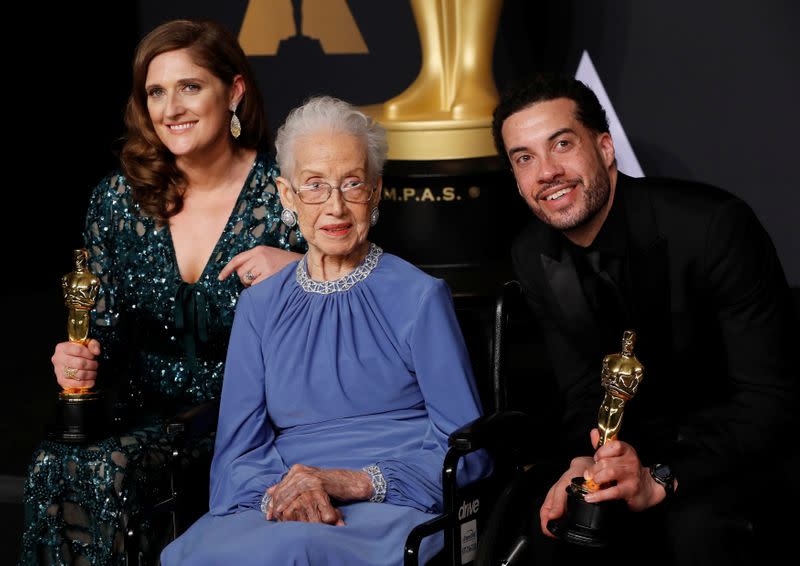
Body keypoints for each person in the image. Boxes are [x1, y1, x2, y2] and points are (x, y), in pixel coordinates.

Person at [20, 19, 305, 565]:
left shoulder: (289, 192)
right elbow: (100, 334)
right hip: (144, 415)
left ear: (234, 93)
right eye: (156, 91)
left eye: (190, 86)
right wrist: (79, 360)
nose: (170, 107)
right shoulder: (118, 199)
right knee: (51, 464)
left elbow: (358, 298)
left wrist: (301, 268)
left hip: (255, 419)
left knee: (112, 469)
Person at [160, 95, 489, 566]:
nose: (335, 205)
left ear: (375, 192)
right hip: (278, 504)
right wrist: (284, 498)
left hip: (387, 504)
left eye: (352, 183)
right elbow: (236, 456)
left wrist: (347, 482)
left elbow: (468, 453)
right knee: (187, 556)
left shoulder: (420, 297)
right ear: (287, 196)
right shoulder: (259, 307)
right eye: (314, 185)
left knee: (295, 553)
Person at [489, 74, 797, 564]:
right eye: (524, 158)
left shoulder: (713, 227)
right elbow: (580, 394)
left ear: (605, 148)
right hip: (631, 453)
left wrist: (662, 477)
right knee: (543, 523)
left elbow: (770, 401)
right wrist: (583, 462)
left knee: (691, 532)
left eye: (562, 144)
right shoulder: (532, 253)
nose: (545, 171)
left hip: (735, 455)